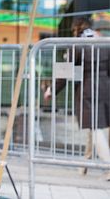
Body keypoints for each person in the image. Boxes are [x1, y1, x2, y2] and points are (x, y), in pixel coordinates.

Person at [45, 17, 110, 179]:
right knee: (98, 127)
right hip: (106, 87)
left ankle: (109, 164)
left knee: (95, 128)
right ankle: (85, 164)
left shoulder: (77, 43)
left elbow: (65, 72)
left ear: (76, 28)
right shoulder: (104, 41)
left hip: (88, 89)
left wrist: (52, 90)